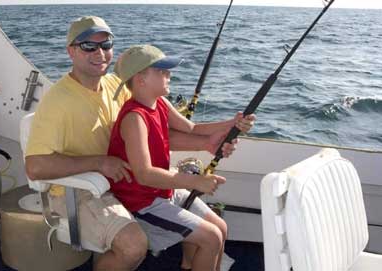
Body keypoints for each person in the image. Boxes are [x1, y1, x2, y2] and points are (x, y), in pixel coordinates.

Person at [25, 16, 255, 271]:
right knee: (134, 245)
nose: (100, 53)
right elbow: (35, 167)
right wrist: (99, 162)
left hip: (126, 178)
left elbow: (149, 137)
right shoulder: (56, 101)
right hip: (77, 190)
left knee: (219, 228)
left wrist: (208, 142)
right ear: (71, 51)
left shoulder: (116, 85)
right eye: (89, 46)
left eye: (106, 44)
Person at [107, 44, 255, 271]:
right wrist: (194, 181)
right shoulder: (134, 118)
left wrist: (232, 124)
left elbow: (192, 128)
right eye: (162, 71)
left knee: (221, 227)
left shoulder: (160, 104)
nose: (169, 75)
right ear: (140, 79)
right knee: (211, 238)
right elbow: (144, 174)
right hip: (142, 202)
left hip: (163, 191)